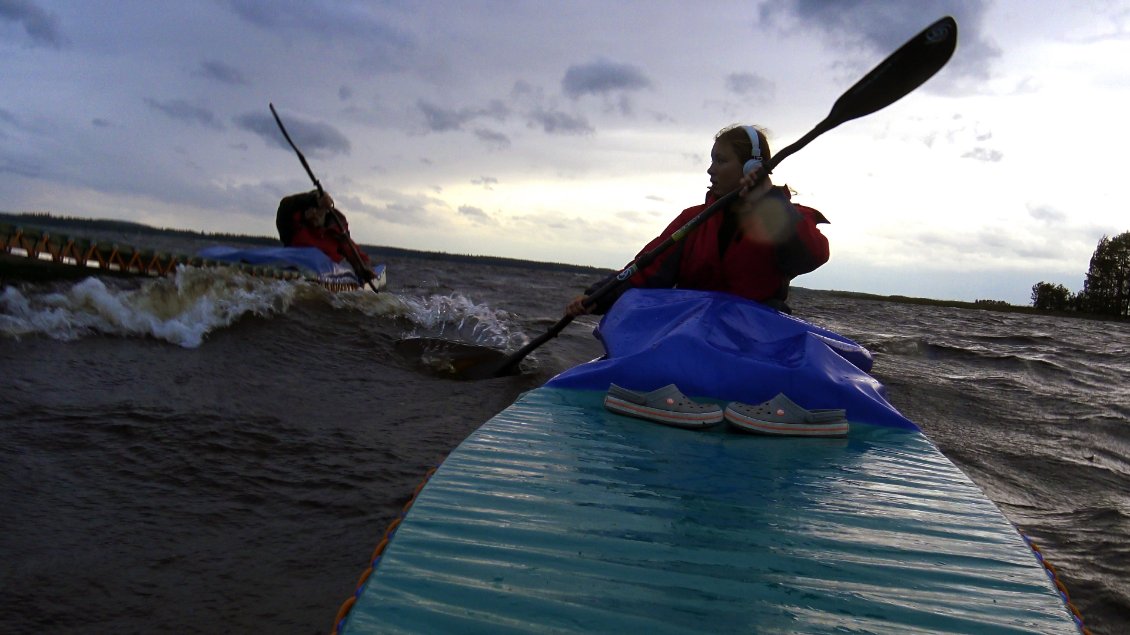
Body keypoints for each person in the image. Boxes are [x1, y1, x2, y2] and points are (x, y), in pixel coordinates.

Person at [566, 124, 830, 316]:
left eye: (721, 160)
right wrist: (597, 297)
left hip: (755, 339)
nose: (710, 169)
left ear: (751, 167)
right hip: (694, 331)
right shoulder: (693, 220)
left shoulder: (790, 217)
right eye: (712, 160)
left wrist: (771, 201)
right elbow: (647, 269)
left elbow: (809, 256)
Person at [275, 189, 376, 281]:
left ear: (326, 211)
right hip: (295, 272)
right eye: (311, 208)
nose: (314, 213)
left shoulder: (337, 233)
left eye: (318, 209)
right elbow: (285, 206)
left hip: (327, 278)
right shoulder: (293, 227)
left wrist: (364, 269)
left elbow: (354, 255)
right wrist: (313, 199)